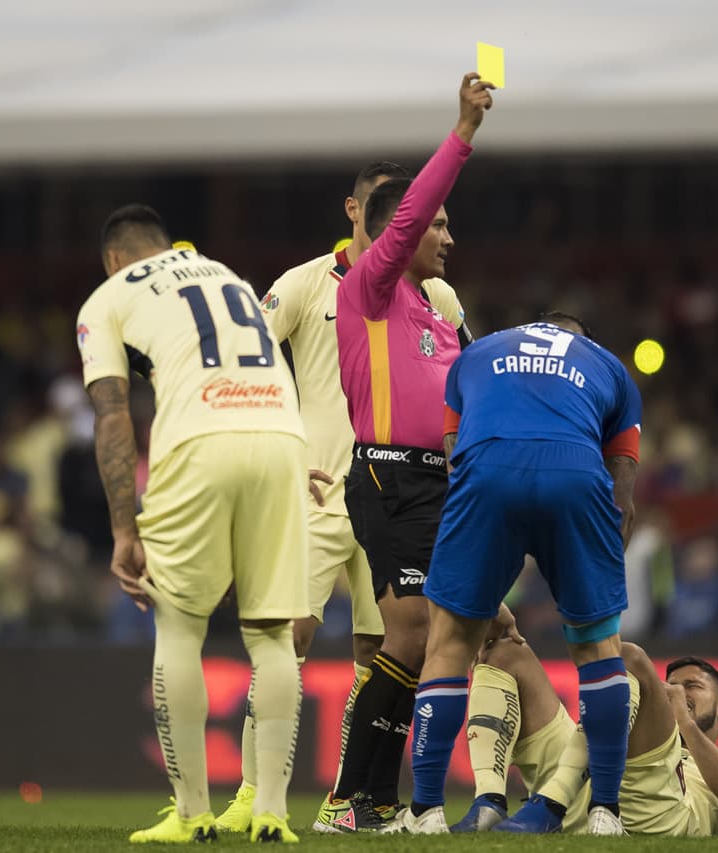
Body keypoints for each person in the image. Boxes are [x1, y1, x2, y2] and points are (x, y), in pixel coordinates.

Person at [77, 205, 310, 843]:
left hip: (196, 440)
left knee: (180, 630)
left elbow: (113, 416)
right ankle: (272, 815)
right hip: (282, 438)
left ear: (115, 259)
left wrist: (125, 530)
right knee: (270, 635)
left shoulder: (107, 298)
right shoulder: (224, 273)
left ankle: (192, 815)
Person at [390, 312, 642, 834]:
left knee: (451, 642)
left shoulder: (476, 355)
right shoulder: (609, 367)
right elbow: (623, 484)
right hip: (575, 475)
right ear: (581, 338)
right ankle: (606, 812)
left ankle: (427, 811)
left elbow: (453, 455)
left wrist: (474, 556)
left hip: (488, 474)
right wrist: (601, 551)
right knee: (598, 647)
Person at [214, 161, 408, 834]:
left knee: (383, 655)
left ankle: (352, 799)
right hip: (319, 493)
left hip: (394, 500)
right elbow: (246, 362)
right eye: (377, 202)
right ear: (352, 209)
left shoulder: (428, 291)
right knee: (286, 636)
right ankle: (250, 794)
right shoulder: (301, 284)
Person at [324, 72, 492, 830]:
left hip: (438, 484)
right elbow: (413, 206)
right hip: (389, 478)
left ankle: (367, 800)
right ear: (403, 230)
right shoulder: (372, 287)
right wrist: (462, 132)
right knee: (414, 632)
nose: (449, 237)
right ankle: (353, 800)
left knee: (421, 637)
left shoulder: (434, 311)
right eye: (439, 225)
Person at [451, 638, 718, 835]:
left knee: (627, 656)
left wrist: (685, 725)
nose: (674, 691)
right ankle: (489, 801)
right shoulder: (647, 721)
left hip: (656, 812)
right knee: (506, 652)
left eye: (691, 686)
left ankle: (553, 800)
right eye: (670, 684)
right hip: (589, 787)